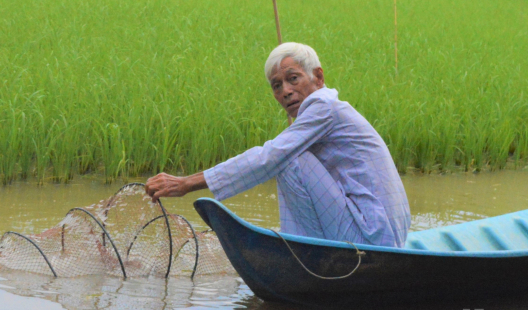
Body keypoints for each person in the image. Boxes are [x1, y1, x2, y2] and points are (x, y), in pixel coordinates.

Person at [145, 43, 411, 247]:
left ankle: (301, 248)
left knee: (288, 158)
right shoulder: (322, 112)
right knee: (290, 153)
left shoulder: (323, 107)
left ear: (318, 77)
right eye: (276, 85)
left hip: (375, 236)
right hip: (380, 230)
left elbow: (271, 156)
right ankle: (305, 244)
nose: (285, 91)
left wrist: (187, 183)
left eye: (293, 79)